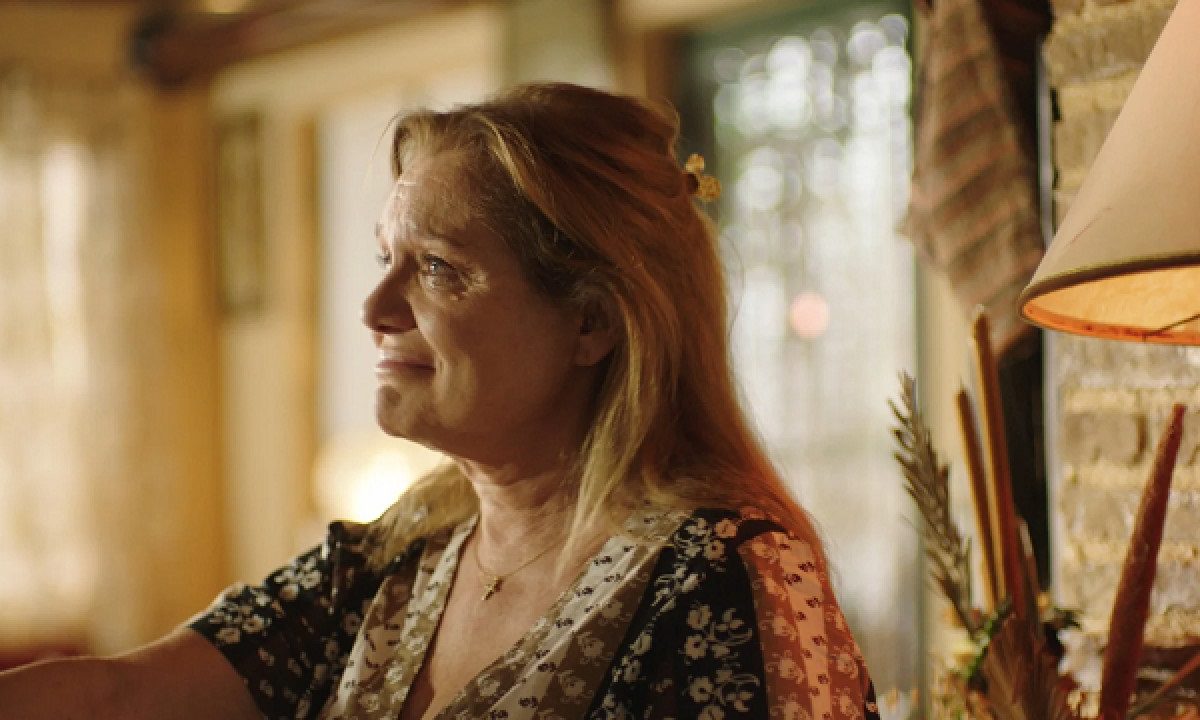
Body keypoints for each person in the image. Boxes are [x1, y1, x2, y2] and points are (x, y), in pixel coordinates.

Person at [0, 82, 879, 719]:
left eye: (436, 268)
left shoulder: (726, 580)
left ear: (591, 323)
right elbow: (118, 694)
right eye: (386, 257)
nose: (375, 308)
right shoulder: (397, 557)